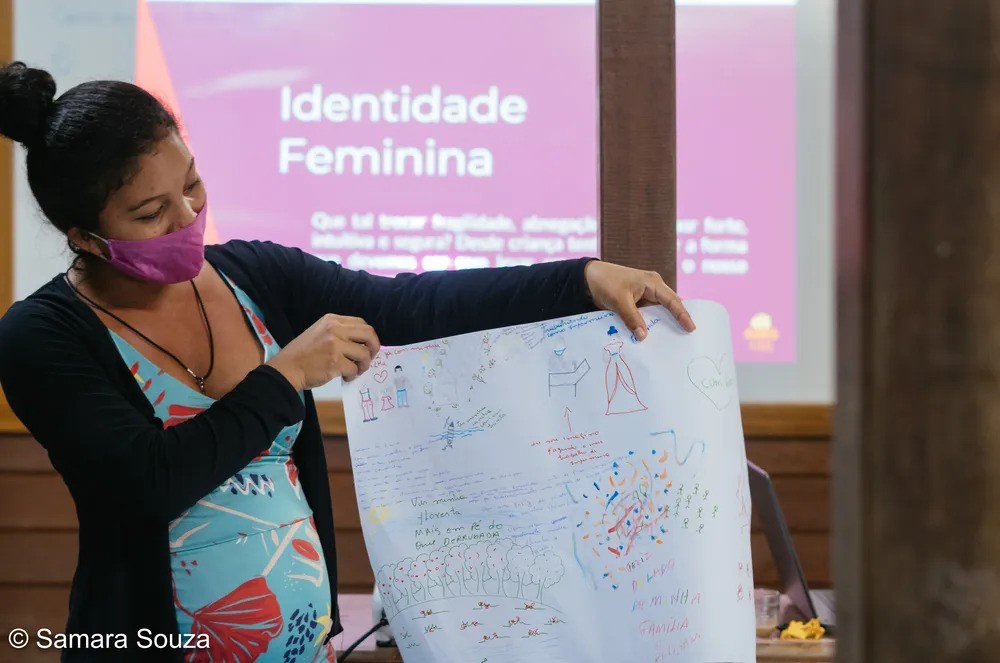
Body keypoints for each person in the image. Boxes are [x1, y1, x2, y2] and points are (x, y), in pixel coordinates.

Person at [0, 61, 695, 662]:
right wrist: (285, 376)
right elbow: (146, 482)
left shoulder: (254, 277)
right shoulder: (42, 335)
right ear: (85, 238)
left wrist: (579, 278)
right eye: (151, 211)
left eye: (193, 184)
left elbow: (415, 305)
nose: (186, 217)